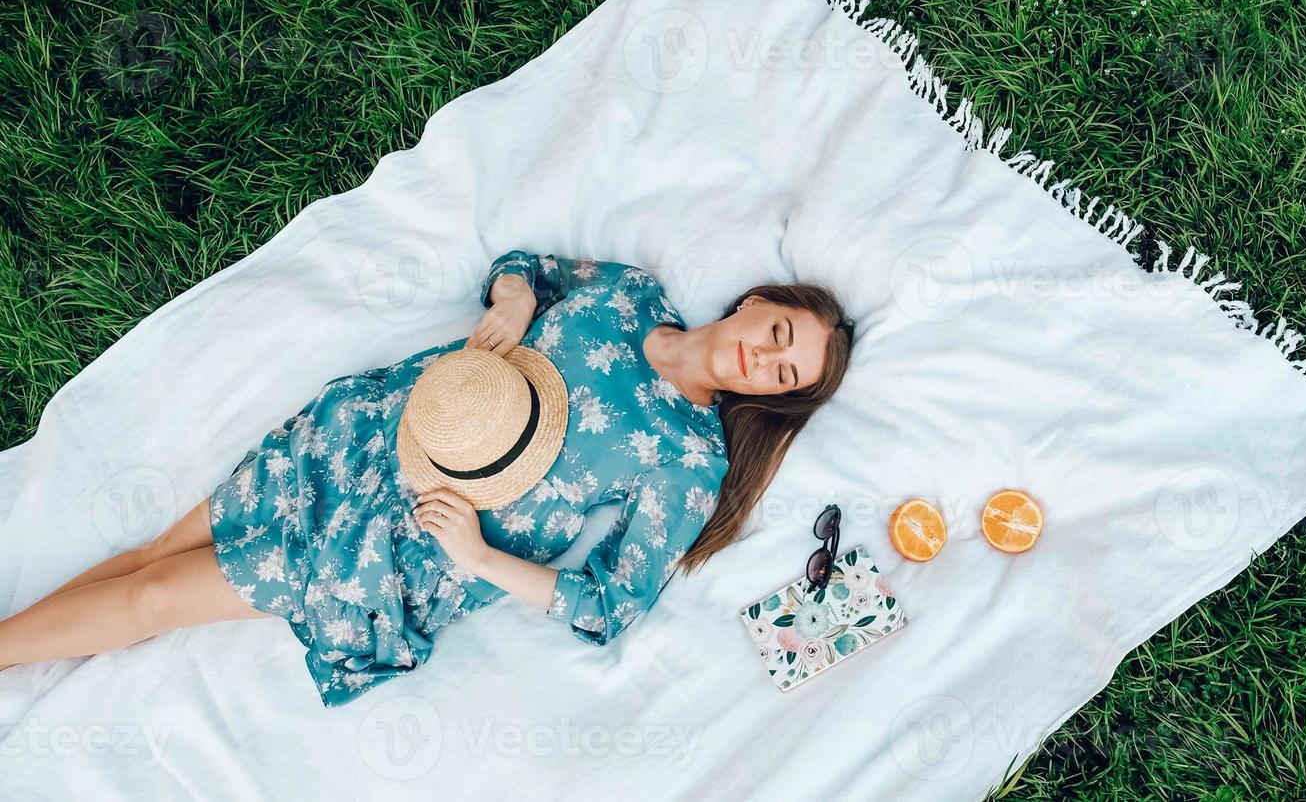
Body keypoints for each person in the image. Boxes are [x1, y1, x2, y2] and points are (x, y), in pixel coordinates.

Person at [0, 250, 855, 706]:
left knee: (157, 601)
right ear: (756, 303)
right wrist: (516, 296)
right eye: (779, 333)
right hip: (377, 435)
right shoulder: (630, 293)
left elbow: (607, 606)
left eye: (782, 376)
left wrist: (479, 560)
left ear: (764, 398)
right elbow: (529, 265)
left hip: (415, 538)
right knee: (156, 553)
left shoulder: (688, 457)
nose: (763, 357)